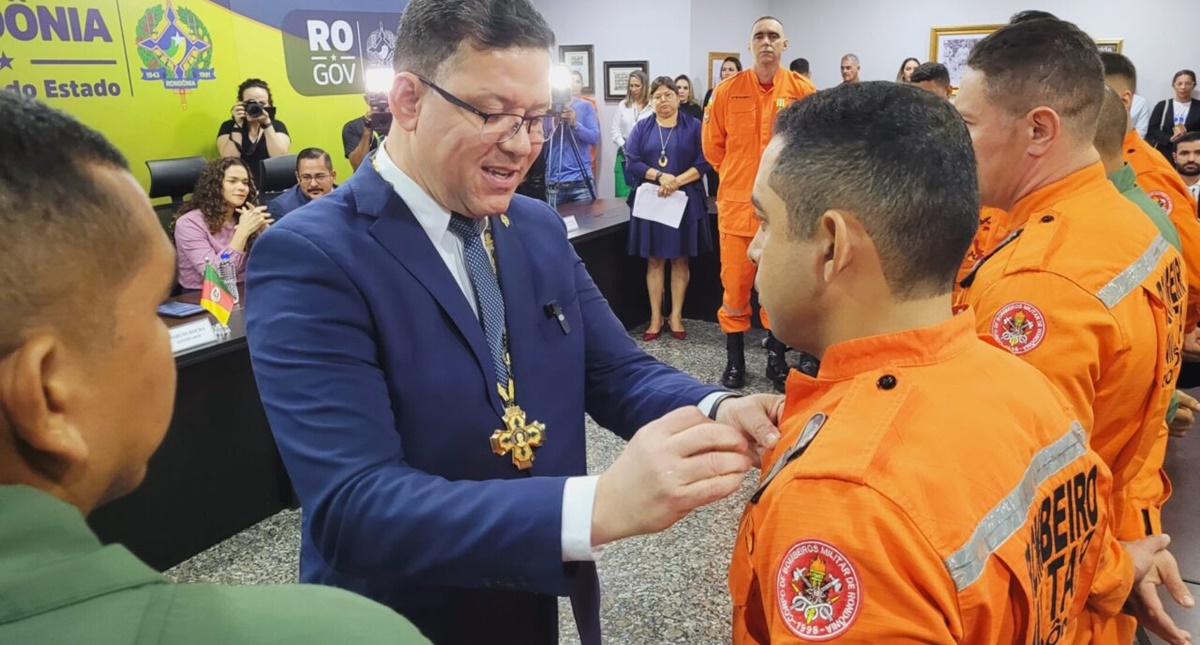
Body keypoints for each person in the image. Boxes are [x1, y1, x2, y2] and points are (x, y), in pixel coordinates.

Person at [244, 2, 783, 644]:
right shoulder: (312, 255)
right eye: (492, 113)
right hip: (399, 617)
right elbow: (353, 507)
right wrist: (598, 506)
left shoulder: (534, 227)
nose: (523, 143)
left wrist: (721, 407)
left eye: (534, 118)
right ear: (409, 100)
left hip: (528, 595)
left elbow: (614, 370)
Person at [731, 78, 1185, 645]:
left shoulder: (842, 499)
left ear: (832, 246)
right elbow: (1070, 533)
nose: (753, 246)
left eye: (766, 221)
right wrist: (1121, 573)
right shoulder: (1023, 383)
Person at [0, 91, 432, 645]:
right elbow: (213, 297)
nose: (244, 190)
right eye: (146, 308)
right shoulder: (342, 632)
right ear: (48, 393)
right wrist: (244, 240)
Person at [954, 18, 1194, 645]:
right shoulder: (1135, 226)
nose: (957, 145)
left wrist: (1115, 570)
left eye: (969, 125)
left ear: (1038, 129)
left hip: (1061, 595)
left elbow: (1016, 488)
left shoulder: (1038, 280)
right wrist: (1134, 543)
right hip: (1118, 544)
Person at [703, 15, 816, 392]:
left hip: (783, 211)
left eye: (773, 36)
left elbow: (814, 148)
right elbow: (712, 148)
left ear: (785, 45)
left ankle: (776, 359)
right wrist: (742, 180)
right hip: (737, 210)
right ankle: (734, 362)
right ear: (749, 45)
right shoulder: (726, 91)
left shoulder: (803, 91)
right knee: (734, 290)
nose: (766, 42)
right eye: (759, 36)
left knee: (777, 288)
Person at [1104, 52, 1200, 333]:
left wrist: (1182, 330)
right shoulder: (1115, 162)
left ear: (1122, 102)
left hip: (1157, 329)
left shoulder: (1144, 173)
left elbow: (1190, 264)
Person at [625, 76, 712, 341]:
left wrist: (676, 181)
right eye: (658, 96)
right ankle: (655, 316)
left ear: (678, 97)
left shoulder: (694, 126)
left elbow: (706, 160)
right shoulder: (642, 127)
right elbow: (632, 161)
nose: (663, 100)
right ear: (652, 100)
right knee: (654, 259)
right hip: (653, 201)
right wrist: (660, 177)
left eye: (668, 95)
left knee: (680, 258)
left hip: (684, 201)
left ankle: (675, 315)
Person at [173, 157, 271, 291]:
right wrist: (242, 233)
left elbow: (278, 262)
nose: (241, 188)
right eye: (232, 181)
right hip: (203, 296)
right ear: (215, 185)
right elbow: (216, 277)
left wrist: (265, 231)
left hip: (246, 289)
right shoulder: (188, 223)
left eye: (245, 182)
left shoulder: (245, 216)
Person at [216, 78, 291, 186]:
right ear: (240, 105)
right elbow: (229, 161)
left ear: (269, 105)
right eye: (250, 103)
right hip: (238, 187)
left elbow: (278, 158)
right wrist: (238, 125)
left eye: (262, 103)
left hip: (270, 186)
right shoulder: (228, 127)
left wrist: (266, 123)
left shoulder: (277, 126)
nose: (256, 107)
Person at [703, 56, 742, 198]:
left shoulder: (743, 94)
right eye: (724, 69)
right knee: (715, 191)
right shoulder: (712, 93)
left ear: (739, 72)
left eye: (731, 69)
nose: (726, 72)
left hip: (737, 153)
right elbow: (707, 123)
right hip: (718, 152)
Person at [611, 69, 652, 199]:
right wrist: (625, 147)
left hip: (646, 156)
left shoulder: (652, 107)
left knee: (644, 197)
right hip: (625, 155)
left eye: (637, 86)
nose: (633, 89)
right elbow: (614, 131)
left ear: (644, 86)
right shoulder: (623, 105)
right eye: (631, 85)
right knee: (624, 196)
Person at [267, 147, 337, 220]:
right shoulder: (283, 208)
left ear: (332, 176)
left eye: (319, 176)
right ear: (298, 177)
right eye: (306, 177)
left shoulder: (347, 199)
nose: (313, 184)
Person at [1148, 70, 1200, 158]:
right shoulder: (1163, 105)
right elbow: (1152, 130)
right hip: (1164, 153)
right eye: (1179, 83)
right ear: (1174, 86)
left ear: (1193, 85)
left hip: (1192, 154)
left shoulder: (1198, 106)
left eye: (1187, 83)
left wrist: (1190, 137)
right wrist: (1169, 139)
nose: (1183, 87)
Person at [343, 94, 388, 171]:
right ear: (366, 99)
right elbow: (358, 166)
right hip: (368, 180)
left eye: (384, 96)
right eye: (375, 96)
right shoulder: (353, 127)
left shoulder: (404, 123)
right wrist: (367, 128)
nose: (380, 98)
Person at [571, 70, 601, 181]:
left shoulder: (588, 104)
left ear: (582, 85)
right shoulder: (552, 106)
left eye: (577, 82)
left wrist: (574, 123)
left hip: (584, 160)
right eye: (571, 81)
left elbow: (594, 136)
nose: (574, 85)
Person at [1175, 131, 1200, 200]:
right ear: (1175, 157)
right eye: (1184, 153)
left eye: (1198, 153)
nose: (1191, 159)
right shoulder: (1161, 184)